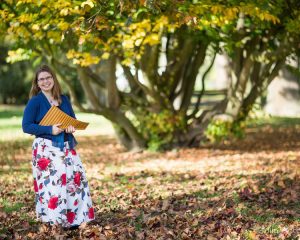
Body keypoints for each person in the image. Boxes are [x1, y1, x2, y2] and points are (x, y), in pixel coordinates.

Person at [22, 65, 95, 229]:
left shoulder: (64, 99)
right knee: (54, 184)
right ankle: (56, 220)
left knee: (76, 179)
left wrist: (71, 127)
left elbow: (72, 120)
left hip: (66, 145)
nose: (45, 81)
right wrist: (50, 129)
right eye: (41, 79)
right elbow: (26, 126)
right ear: (37, 83)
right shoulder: (35, 102)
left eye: (48, 78)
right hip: (45, 148)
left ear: (53, 79)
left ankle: (77, 218)